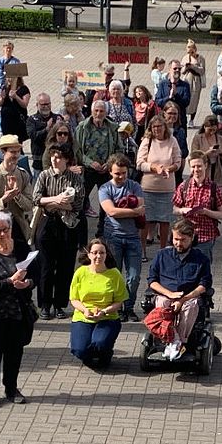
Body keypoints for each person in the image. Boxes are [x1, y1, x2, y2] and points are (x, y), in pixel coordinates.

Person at [0, 211, 39, 407]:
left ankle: (11, 388)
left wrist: (27, 283)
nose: (2, 234)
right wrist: (10, 281)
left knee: (14, 352)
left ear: (11, 229)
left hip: (17, 310)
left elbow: (36, 276)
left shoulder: (22, 248)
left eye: (5, 230)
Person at [33, 144, 85, 319]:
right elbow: (36, 199)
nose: (55, 160)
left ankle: (60, 304)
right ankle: (45, 304)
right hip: (48, 223)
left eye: (59, 157)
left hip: (67, 226)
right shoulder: (44, 175)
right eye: (53, 156)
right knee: (46, 267)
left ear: (67, 160)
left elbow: (77, 204)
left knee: (65, 267)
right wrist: (57, 199)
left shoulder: (75, 178)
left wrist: (51, 203)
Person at [147, 219, 212, 360]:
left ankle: (180, 342)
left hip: (189, 296)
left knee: (190, 306)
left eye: (183, 240)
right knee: (163, 303)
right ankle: (171, 340)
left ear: (192, 238)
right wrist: (169, 294)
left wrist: (183, 299)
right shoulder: (161, 255)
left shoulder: (201, 259)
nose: (178, 243)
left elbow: (205, 284)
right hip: (166, 293)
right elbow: (152, 281)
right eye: (176, 239)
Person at [99, 155, 146, 322]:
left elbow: (140, 206)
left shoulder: (135, 186)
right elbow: (111, 211)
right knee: (115, 276)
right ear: (110, 172)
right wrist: (133, 212)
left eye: (124, 173)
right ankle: (117, 309)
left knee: (133, 277)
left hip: (133, 238)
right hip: (113, 238)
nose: (121, 177)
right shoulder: (104, 189)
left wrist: (124, 211)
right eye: (117, 173)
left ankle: (129, 308)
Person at [68, 239, 127, 369]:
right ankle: (88, 356)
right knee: (79, 349)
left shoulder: (114, 274)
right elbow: (74, 299)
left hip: (107, 317)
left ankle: (105, 353)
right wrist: (85, 310)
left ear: (107, 255)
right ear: (89, 255)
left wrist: (104, 311)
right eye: (94, 253)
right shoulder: (80, 272)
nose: (98, 256)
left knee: (100, 343)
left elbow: (119, 301)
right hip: (83, 316)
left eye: (102, 253)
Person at [137, 115, 182, 251]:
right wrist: (154, 167)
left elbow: (178, 163)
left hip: (167, 189)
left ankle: (163, 250)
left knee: (165, 221)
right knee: (146, 220)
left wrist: (168, 168)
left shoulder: (172, 140)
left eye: (159, 126)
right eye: (154, 126)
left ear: (165, 127)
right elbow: (139, 163)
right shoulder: (147, 141)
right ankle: (142, 250)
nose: (157, 129)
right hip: (148, 188)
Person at [0, 135, 34, 245]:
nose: (16, 155)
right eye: (12, 152)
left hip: (18, 229)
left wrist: (17, 195)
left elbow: (29, 205)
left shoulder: (23, 175)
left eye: (18, 152)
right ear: (3, 152)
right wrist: (4, 200)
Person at [173, 152, 222, 263]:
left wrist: (206, 212)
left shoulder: (214, 188)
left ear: (206, 165)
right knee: (184, 267)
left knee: (203, 269)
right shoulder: (184, 186)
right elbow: (174, 209)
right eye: (193, 166)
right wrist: (182, 210)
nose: (196, 169)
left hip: (205, 235)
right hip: (186, 235)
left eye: (199, 166)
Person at [190, 115, 222, 190]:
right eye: (209, 130)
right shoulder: (198, 138)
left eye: (214, 130)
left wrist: (220, 152)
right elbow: (193, 156)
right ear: (204, 127)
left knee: (216, 194)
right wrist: (207, 153)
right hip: (203, 170)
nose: (211, 133)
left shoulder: (221, 138)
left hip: (217, 170)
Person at [26, 93, 61, 173]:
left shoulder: (57, 118)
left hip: (56, 161)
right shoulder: (32, 120)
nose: (46, 106)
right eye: (43, 104)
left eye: (47, 104)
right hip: (39, 160)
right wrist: (47, 129)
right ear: (37, 105)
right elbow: (33, 136)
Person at [155, 59, 191, 127]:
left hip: (180, 122)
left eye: (179, 69)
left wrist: (176, 95)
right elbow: (158, 102)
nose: (177, 70)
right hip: (164, 122)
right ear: (169, 70)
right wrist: (169, 97)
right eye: (175, 68)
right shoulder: (163, 84)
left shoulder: (185, 85)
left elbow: (186, 103)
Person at [181, 40, 206, 127]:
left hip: (196, 81)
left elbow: (202, 71)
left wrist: (194, 67)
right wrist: (186, 67)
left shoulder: (201, 58)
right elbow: (182, 71)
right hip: (187, 79)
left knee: (194, 100)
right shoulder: (185, 57)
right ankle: (184, 118)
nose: (190, 51)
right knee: (185, 98)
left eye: (192, 49)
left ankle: (192, 119)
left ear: (195, 49)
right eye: (188, 48)